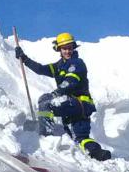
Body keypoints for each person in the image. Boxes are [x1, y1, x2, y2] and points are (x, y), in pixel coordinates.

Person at [14, 33, 112, 161]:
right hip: (73, 107)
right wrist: (24, 59)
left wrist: (56, 93)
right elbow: (40, 69)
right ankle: (97, 153)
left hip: (79, 103)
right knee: (79, 138)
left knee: (46, 102)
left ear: (73, 48)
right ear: (59, 49)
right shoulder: (59, 65)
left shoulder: (76, 63)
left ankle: (45, 138)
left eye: (70, 48)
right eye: (64, 48)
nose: (67, 51)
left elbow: (71, 81)